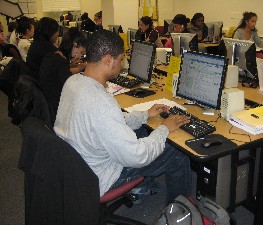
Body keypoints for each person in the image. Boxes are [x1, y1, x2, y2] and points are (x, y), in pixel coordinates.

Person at [54, 29, 192, 204]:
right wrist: (165, 128)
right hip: (99, 177)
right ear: (108, 61)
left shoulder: (73, 82)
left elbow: (108, 123)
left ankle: (143, 187)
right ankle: (181, 215)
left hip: (78, 166)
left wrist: (145, 115)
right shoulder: (101, 102)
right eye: (120, 59)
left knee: (143, 131)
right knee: (177, 152)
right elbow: (138, 156)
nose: (122, 63)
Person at [39, 27, 86, 124]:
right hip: (58, 110)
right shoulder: (60, 63)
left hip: (48, 105)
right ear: (75, 45)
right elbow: (74, 89)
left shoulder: (52, 56)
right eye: (81, 52)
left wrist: (68, 64)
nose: (80, 56)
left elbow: (58, 72)